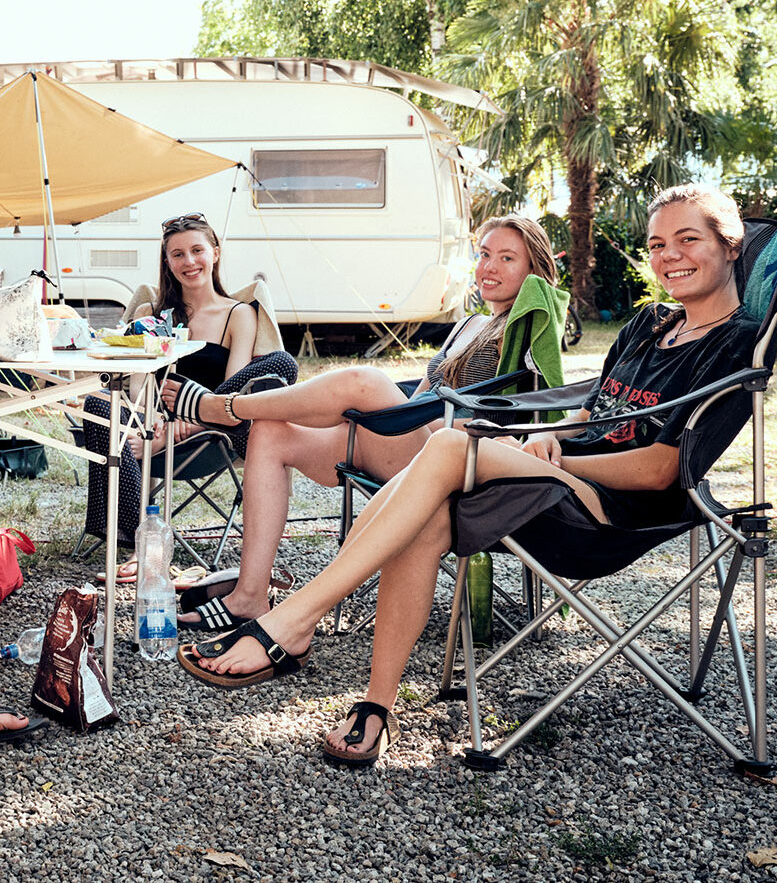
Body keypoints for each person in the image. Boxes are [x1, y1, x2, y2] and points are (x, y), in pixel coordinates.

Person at [175, 184, 762, 767]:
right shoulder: (649, 325)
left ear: (731, 247)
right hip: (556, 477)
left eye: (689, 240)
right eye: (658, 244)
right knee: (427, 510)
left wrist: (556, 457)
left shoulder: (737, 345)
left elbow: (663, 469)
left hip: (611, 508)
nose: (669, 257)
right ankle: (377, 704)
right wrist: (549, 437)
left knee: (454, 444)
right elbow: (592, 408)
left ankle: (294, 620)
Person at [161, 215, 564, 632]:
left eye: (507, 258)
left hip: (456, 459)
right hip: (413, 438)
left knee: (364, 380)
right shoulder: (468, 323)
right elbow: (421, 395)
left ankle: (224, 407)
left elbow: (550, 396)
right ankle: (250, 596)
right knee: (271, 432)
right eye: (483, 254)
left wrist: (551, 431)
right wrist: (376, 416)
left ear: (533, 270)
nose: (489, 267)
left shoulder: (529, 323)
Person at [82, 212, 298, 574]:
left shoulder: (239, 314)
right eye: (177, 254)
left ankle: (168, 438)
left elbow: (235, 387)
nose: (189, 261)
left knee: (278, 366)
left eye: (197, 250)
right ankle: (142, 545)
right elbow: (139, 385)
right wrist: (151, 426)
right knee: (96, 405)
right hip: (150, 427)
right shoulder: (153, 313)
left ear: (215, 252)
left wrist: (191, 422)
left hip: (210, 426)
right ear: (167, 263)